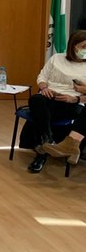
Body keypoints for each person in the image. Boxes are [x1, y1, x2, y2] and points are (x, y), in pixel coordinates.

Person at [25, 30, 86, 173]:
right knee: (36, 100)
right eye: (84, 46)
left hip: (72, 100)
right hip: (50, 95)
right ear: (73, 46)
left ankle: (42, 152)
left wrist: (74, 98)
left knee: (43, 114)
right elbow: (42, 77)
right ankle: (48, 141)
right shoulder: (56, 58)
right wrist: (44, 88)